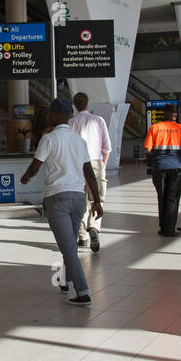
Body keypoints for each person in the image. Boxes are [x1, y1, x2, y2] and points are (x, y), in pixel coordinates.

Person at [20, 98, 104, 307]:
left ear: (57, 116)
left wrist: (26, 177)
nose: (48, 116)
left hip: (58, 198)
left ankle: (83, 292)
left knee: (68, 248)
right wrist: (97, 201)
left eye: (50, 113)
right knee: (70, 243)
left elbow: (35, 165)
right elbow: (89, 174)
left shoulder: (49, 139)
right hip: (78, 198)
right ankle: (65, 281)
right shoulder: (79, 141)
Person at [68, 92, 111, 252]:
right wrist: (102, 166)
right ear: (87, 103)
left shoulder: (71, 122)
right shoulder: (99, 121)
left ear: (74, 104)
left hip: (78, 164)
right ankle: (94, 227)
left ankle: (83, 237)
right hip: (96, 162)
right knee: (97, 198)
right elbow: (107, 147)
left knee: (79, 201)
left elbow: (70, 147)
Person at [143, 108, 181, 237]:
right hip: (176, 168)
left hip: (159, 168)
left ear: (164, 115)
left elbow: (148, 149)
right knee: (172, 199)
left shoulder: (155, 128)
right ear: (175, 115)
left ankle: (163, 227)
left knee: (162, 197)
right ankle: (170, 229)